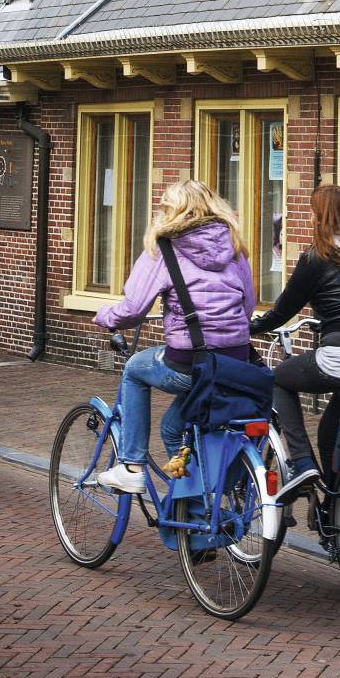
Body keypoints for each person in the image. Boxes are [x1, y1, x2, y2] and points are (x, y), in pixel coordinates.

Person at [94, 179, 255, 494]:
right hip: (234, 361)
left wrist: (105, 316)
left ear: (170, 211)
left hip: (188, 363)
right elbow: (248, 305)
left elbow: (134, 309)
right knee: (172, 427)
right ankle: (191, 502)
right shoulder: (234, 246)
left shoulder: (163, 249)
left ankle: (131, 466)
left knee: (135, 370)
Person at [250, 183, 340, 500]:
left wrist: (249, 327)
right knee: (330, 433)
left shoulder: (316, 257)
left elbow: (284, 310)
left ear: (319, 218)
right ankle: (334, 510)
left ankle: (301, 462)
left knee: (278, 379)